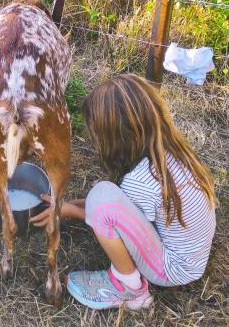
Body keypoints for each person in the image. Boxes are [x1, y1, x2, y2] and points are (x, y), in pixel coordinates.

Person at [30, 74, 217, 310]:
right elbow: (128, 213)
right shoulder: (169, 153)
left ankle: (129, 287)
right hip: (192, 258)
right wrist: (68, 205)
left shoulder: (140, 181)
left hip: (172, 269)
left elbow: (118, 224)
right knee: (102, 197)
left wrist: (72, 211)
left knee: (103, 196)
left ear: (115, 135)